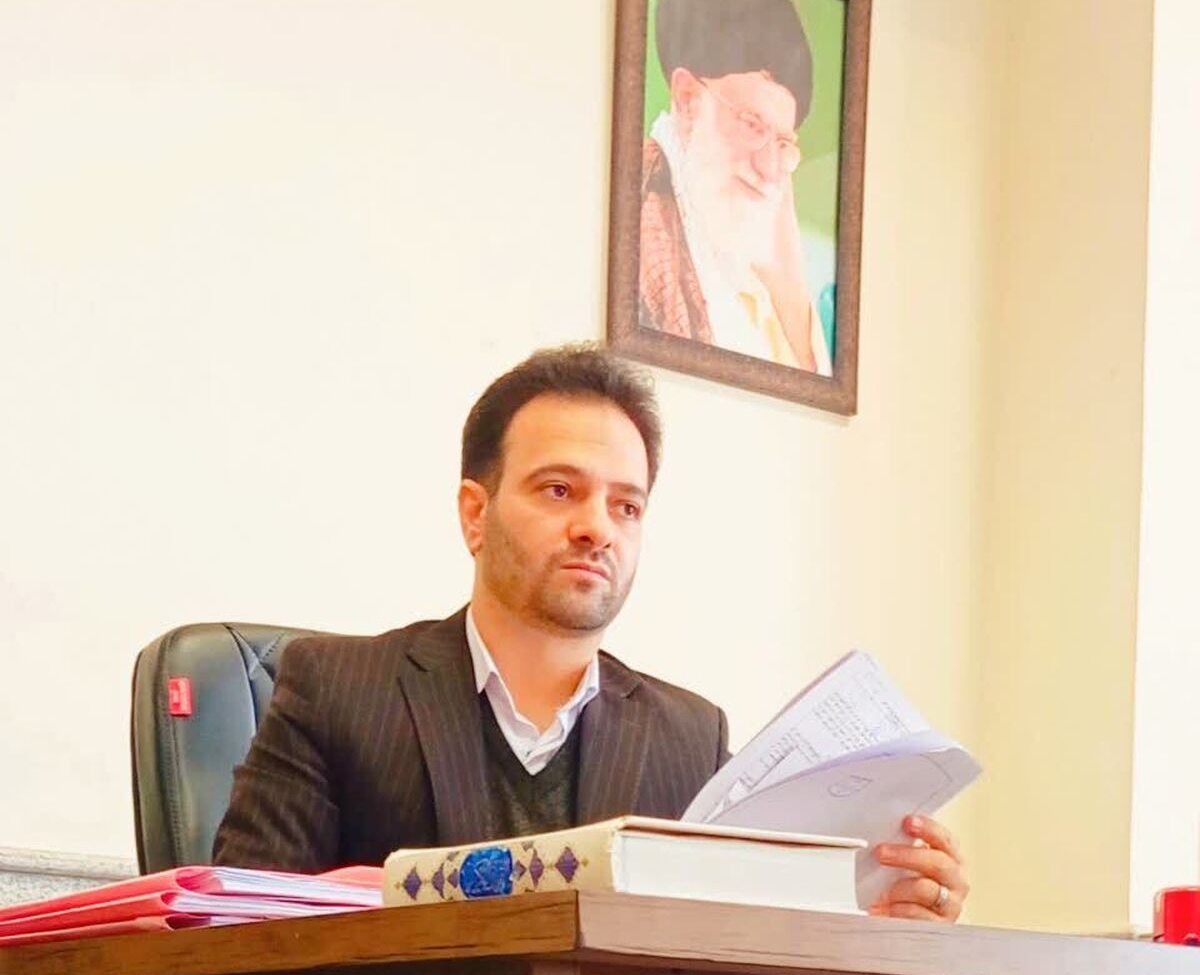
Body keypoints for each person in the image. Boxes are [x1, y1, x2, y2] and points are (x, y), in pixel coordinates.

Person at [214, 344, 967, 922]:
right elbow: (230, 935)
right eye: (559, 490)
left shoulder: (689, 740)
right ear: (476, 513)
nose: (596, 528)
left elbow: (730, 965)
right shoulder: (336, 690)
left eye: (626, 506)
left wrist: (881, 921)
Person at [639, 0, 831, 374]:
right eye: (751, 125)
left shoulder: (757, 263)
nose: (768, 169)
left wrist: (786, 280)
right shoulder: (641, 215)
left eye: (782, 143)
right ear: (688, 100)